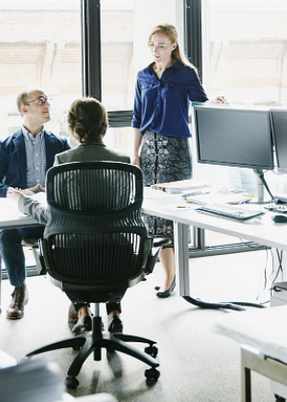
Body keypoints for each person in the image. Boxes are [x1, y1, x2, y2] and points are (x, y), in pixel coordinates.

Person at [16, 97, 130, 336]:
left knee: (72, 249)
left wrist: (22, 202)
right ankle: (114, 314)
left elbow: (53, 218)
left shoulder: (63, 162)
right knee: (109, 242)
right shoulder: (123, 162)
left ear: (73, 127)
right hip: (120, 256)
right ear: (104, 124)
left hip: (72, 258)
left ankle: (82, 312)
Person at [131, 24, 219, 298]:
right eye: (153, 45)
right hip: (149, 150)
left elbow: (201, 104)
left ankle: (171, 276)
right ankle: (165, 272)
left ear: (173, 46)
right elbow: (136, 117)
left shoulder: (185, 74)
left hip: (176, 149)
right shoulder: (143, 76)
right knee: (152, 216)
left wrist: (216, 101)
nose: (156, 50)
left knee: (172, 214)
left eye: (161, 45)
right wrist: (134, 153)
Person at [0, 88, 70, 320]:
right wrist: (13, 192)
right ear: (24, 109)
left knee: (75, 228)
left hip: (51, 213)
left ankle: (76, 296)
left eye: (48, 99)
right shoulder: (7, 145)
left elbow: (74, 178)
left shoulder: (60, 143)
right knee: (6, 233)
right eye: (41, 100)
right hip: (21, 214)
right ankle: (19, 289)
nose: (47, 104)